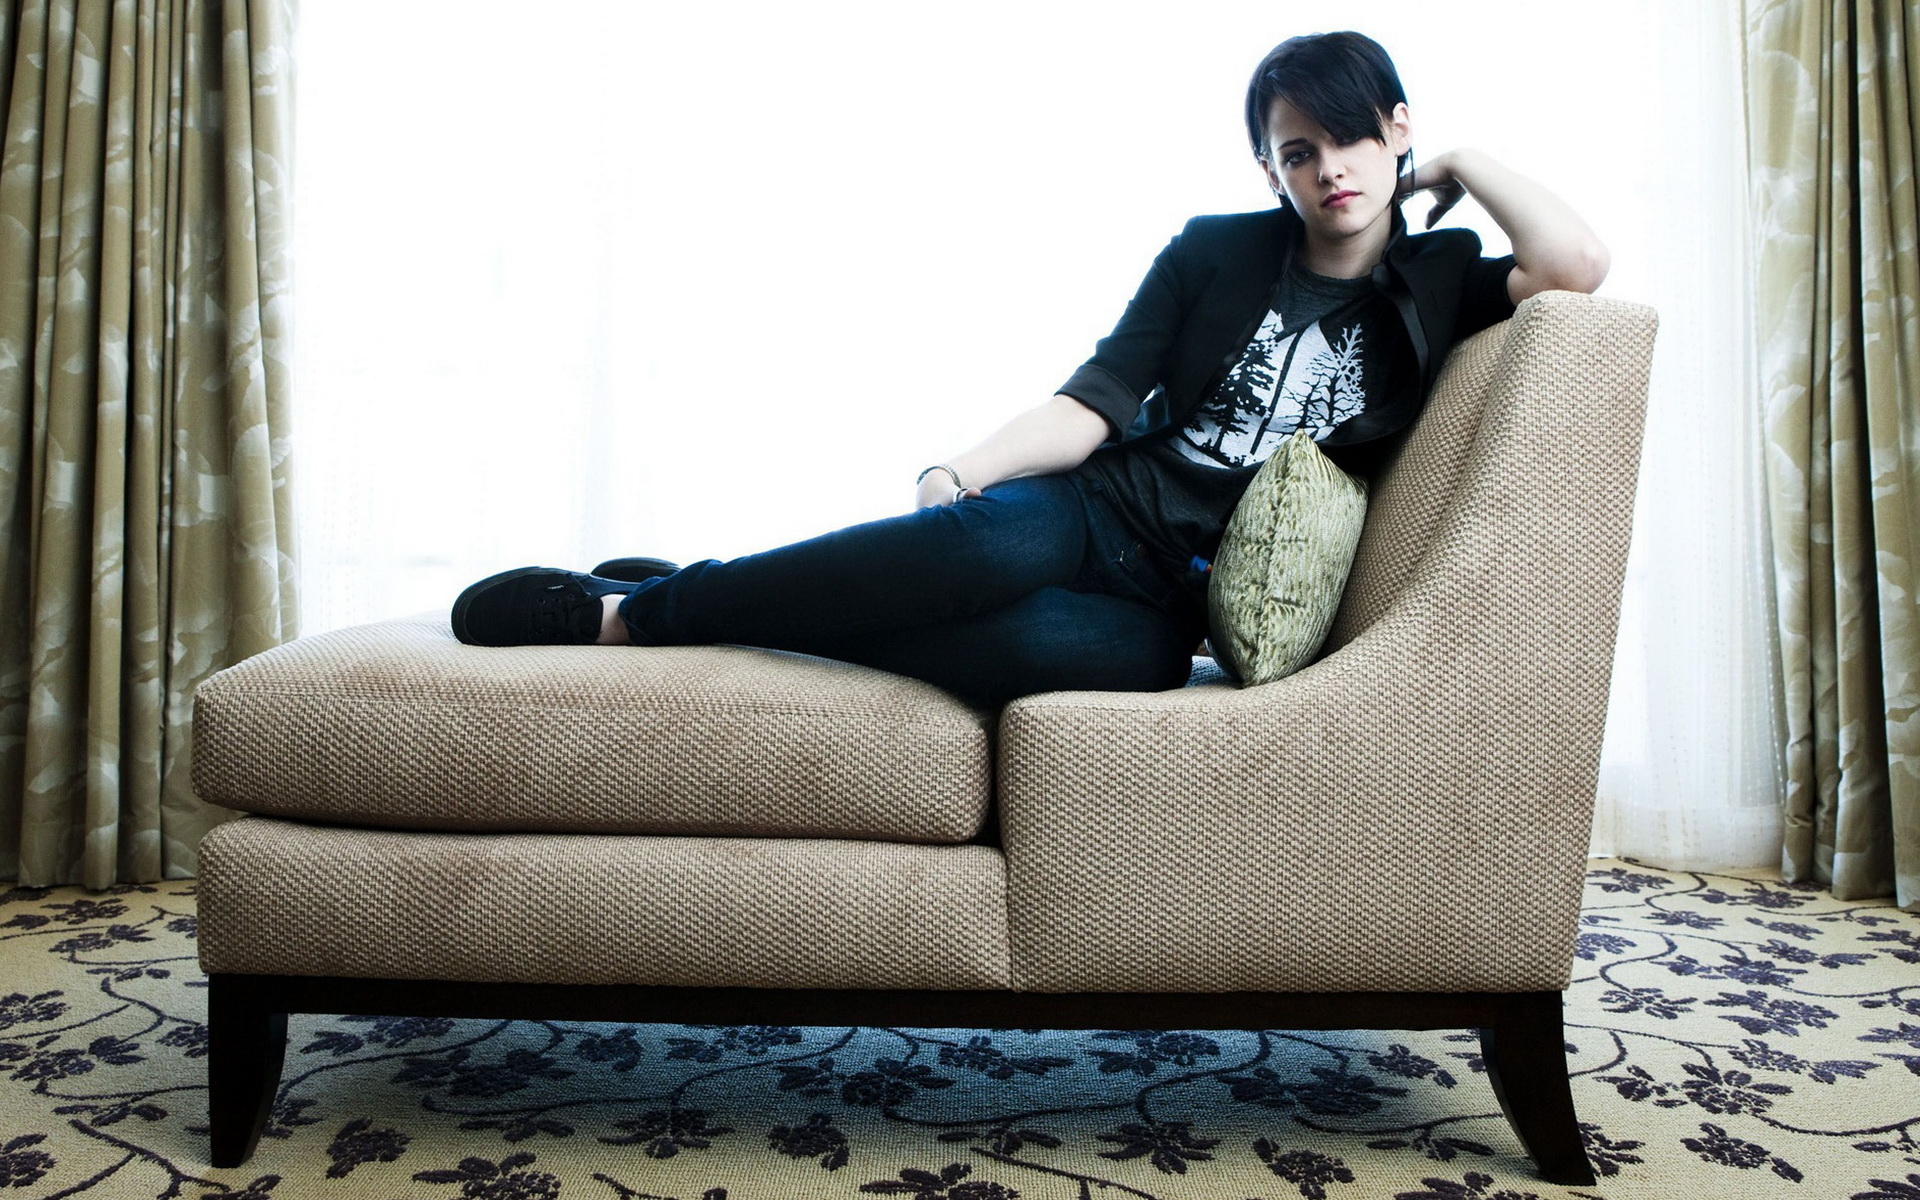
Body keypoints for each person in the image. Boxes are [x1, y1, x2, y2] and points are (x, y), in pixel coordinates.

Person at [451, 30, 1608, 707]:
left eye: (1350, 137)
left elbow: (1577, 266)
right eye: (1296, 152)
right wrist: (962, 469)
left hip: (1176, 602)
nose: (1328, 170)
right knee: (981, 548)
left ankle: (710, 595)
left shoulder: (1440, 283)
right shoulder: (1215, 251)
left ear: (1396, 129)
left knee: (1038, 652)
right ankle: (625, 616)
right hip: (1097, 508)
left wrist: (1465, 158)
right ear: (1271, 172)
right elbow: (1097, 398)